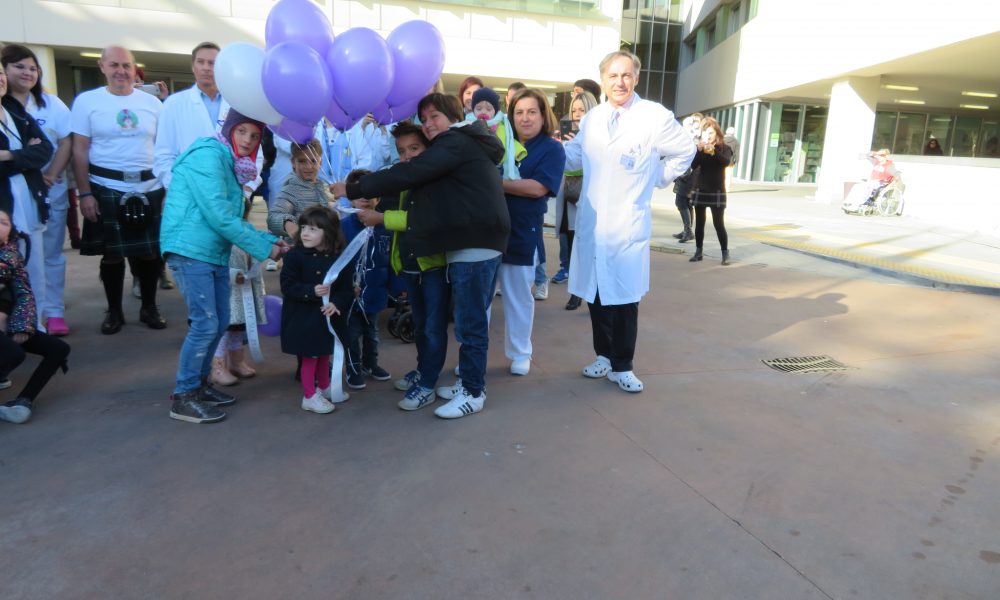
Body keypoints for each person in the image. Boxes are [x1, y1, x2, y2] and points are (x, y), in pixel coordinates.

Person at [332, 93, 509, 419]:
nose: (428, 125)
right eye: (424, 119)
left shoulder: (453, 143)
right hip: (468, 242)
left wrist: (355, 188)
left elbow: (409, 174)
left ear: (453, 116)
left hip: (475, 243)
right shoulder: (459, 146)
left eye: (434, 117)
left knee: (469, 326)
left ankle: (473, 391)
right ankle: (468, 382)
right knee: (466, 324)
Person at [563, 50, 695, 394]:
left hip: (627, 221)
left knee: (623, 296)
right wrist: (548, 151)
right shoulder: (593, 119)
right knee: (595, 291)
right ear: (603, 79)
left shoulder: (653, 116)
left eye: (626, 75)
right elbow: (576, 154)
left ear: (636, 78)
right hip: (593, 220)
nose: (619, 82)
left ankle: (623, 365)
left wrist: (657, 176)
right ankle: (603, 356)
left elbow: (686, 151)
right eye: (612, 76)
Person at [160, 109, 287, 424]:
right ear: (230, 129)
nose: (247, 140)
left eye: (255, 135)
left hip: (210, 251)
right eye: (242, 132)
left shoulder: (230, 163)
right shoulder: (209, 155)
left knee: (216, 324)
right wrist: (264, 247)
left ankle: (200, 388)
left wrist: (269, 238)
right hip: (191, 249)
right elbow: (220, 216)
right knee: (205, 324)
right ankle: (184, 396)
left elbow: (230, 220)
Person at [70, 45, 167, 335]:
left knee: (151, 252)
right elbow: (79, 150)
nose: (121, 71)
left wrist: (167, 190)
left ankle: (149, 307)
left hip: (150, 186)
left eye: (126, 65)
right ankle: (114, 311)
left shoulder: (153, 104)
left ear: (134, 68)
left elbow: (165, 148)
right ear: (102, 67)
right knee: (111, 255)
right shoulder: (86, 102)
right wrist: (85, 194)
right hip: (105, 186)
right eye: (114, 65)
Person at [355, 121, 448, 412]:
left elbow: (425, 220)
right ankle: (423, 371)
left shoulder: (437, 181)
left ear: (429, 149)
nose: (407, 156)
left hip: (433, 264)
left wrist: (381, 218)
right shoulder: (405, 181)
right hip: (410, 264)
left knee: (433, 327)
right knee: (421, 325)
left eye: (414, 148)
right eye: (401, 151)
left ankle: (428, 384)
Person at [2, 45, 73, 336]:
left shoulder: (23, 110)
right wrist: (24, 157)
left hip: (37, 195)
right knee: (9, 263)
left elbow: (46, 149)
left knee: (38, 260)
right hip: (8, 200)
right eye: (19, 66)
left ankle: (38, 321)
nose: (27, 72)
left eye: (32, 67)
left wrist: (9, 156)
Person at [498, 88, 566, 375]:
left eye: (531, 112)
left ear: (542, 115)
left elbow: (538, 187)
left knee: (517, 297)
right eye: (518, 112)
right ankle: (470, 360)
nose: (524, 118)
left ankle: (520, 353)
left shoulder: (551, 148)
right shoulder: (499, 143)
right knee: (478, 303)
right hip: (486, 231)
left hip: (522, 232)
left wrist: (494, 182)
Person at [280, 205, 353, 414]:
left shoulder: (339, 258)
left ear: (328, 232)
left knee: (324, 353)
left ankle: (325, 387)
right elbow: (288, 286)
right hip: (303, 318)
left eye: (313, 229)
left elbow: (346, 289)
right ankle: (309, 396)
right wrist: (311, 291)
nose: (305, 233)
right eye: (303, 227)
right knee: (310, 356)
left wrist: (335, 303)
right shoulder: (295, 256)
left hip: (327, 318)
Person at [0, 209, 70, 424]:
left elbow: (24, 292)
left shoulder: (11, 255)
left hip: (9, 321)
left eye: (3, 223)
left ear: (11, 231)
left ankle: (23, 401)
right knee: (13, 354)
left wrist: (22, 325)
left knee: (58, 349)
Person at [340, 169, 392, 390]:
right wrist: (343, 287)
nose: (364, 197)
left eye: (369, 191)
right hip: (351, 294)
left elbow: (390, 260)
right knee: (352, 334)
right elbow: (337, 262)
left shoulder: (385, 225)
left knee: (372, 332)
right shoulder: (342, 227)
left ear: (378, 196)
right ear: (349, 197)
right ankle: (353, 368)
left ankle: (371, 363)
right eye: (358, 192)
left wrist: (397, 286)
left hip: (375, 291)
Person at [208, 198, 268, 386]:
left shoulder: (246, 231)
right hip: (228, 292)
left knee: (238, 327)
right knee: (226, 327)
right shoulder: (218, 236)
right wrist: (234, 276)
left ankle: (236, 361)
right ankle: (218, 367)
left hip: (245, 290)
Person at [553, 90, 598, 310]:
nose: (577, 114)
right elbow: (565, 163)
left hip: (586, 197)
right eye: (574, 110)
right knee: (569, 242)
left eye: (582, 110)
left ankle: (586, 291)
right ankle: (576, 290)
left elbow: (578, 162)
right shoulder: (571, 135)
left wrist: (566, 147)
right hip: (567, 193)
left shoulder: (595, 135)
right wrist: (562, 145)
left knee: (584, 246)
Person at [688, 117, 734, 265]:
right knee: (700, 222)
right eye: (706, 133)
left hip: (717, 190)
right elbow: (693, 166)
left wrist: (713, 151)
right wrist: (698, 151)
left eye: (711, 133)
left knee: (718, 223)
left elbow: (726, 162)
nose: (708, 136)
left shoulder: (725, 148)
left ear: (717, 134)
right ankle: (698, 251)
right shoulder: (701, 148)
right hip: (701, 188)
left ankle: (725, 254)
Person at [267, 139, 331, 239]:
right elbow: (274, 217)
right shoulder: (291, 188)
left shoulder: (319, 185)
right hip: (301, 249)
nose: (309, 167)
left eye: (313, 161)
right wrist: (289, 225)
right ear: (293, 162)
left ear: (320, 162)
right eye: (302, 161)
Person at [468, 86, 525, 180]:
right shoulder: (468, 126)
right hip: (475, 164)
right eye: (478, 109)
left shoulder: (502, 126)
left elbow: (509, 140)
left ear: (495, 111)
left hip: (498, 165)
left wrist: (519, 151)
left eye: (488, 109)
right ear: (473, 110)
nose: (483, 112)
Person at [672, 112, 703, 243]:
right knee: (687, 203)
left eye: (696, 121)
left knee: (681, 202)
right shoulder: (689, 138)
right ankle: (687, 230)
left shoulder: (699, 140)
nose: (693, 124)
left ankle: (688, 231)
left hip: (690, 175)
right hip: (687, 174)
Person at [724, 125, 740, 191]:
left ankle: (721, 187)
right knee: (728, 175)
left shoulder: (722, 139)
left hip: (721, 160)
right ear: (733, 133)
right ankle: (727, 188)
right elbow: (737, 153)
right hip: (730, 161)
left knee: (721, 174)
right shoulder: (736, 142)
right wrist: (737, 161)